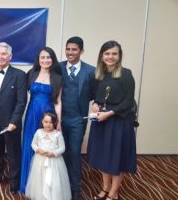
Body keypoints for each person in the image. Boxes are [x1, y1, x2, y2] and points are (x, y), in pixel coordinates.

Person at [87, 40, 136, 200]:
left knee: (116, 158)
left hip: (119, 122)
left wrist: (109, 113)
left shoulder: (126, 74)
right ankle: (105, 188)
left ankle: (113, 193)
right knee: (103, 156)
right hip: (102, 122)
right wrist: (95, 104)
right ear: (102, 56)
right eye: (107, 53)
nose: (111, 57)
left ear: (119, 56)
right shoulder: (99, 75)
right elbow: (97, 97)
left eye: (114, 53)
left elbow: (128, 102)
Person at [0, 42, 27, 195]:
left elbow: (22, 101)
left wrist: (14, 121)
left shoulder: (19, 75)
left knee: (14, 152)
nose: (0, 57)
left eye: (3, 54)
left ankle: (14, 182)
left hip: (10, 122)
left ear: (10, 56)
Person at [19, 47, 62, 193]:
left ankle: (45, 186)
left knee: (47, 147)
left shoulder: (57, 77)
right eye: (42, 57)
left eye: (48, 57)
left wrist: (58, 122)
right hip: (32, 114)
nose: (45, 60)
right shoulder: (31, 74)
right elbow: (20, 95)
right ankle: (30, 184)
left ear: (53, 59)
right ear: (38, 60)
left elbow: (58, 102)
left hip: (48, 116)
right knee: (31, 145)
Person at [60, 36, 95, 200]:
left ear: (81, 51)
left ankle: (75, 188)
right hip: (59, 120)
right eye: (68, 49)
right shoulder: (57, 67)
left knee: (74, 153)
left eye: (74, 49)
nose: (70, 52)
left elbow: (96, 95)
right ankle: (62, 184)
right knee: (60, 152)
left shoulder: (90, 71)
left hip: (78, 120)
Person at [25, 112, 71, 200]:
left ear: (55, 123)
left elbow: (62, 148)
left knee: (54, 179)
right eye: (46, 122)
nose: (48, 124)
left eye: (51, 122)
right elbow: (33, 144)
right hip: (40, 160)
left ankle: (54, 196)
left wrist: (54, 153)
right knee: (40, 178)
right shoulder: (38, 132)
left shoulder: (58, 134)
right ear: (42, 122)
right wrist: (38, 150)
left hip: (54, 161)